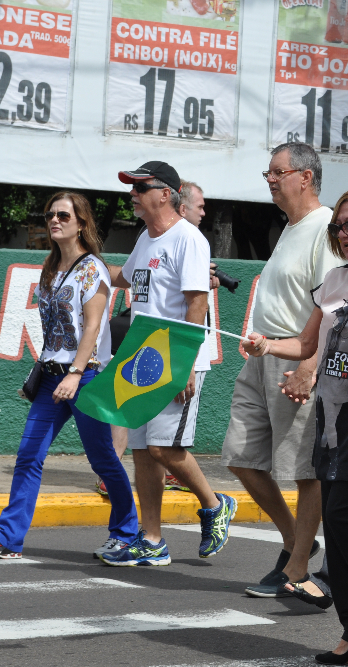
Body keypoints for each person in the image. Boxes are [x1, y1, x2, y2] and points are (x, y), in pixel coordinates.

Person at [245, 186, 348, 665]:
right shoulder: (336, 281)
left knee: (341, 516)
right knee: (338, 527)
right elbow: (305, 345)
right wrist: (266, 346)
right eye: (336, 227)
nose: (341, 234)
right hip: (333, 411)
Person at [219, 143, 341, 595]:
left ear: (305, 177)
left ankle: (296, 568)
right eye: (267, 172)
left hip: (299, 361)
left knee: (304, 469)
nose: (269, 179)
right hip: (263, 356)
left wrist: (310, 365)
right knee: (240, 457)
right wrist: (261, 343)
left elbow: (333, 306)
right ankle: (297, 546)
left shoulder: (325, 227)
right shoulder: (289, 229)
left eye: (278, 172)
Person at [101, 161, 236, 567]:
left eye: (140, 188)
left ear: (165, 193)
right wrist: (81, 263)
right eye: (132, 189)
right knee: (142, 451)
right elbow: (123, 279)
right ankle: (152, 539)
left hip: (174, 359)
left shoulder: (188, 239)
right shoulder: (146, 238)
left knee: (164, 446)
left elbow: (196, 303)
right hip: (143, 358)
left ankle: (215, 505)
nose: (133, 195)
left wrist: (185, 365)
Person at [0, 193, 139, 561]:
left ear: (81, 223)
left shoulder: (92, 268)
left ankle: (126, 532)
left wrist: (75, 373)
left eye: (63, 214)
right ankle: (8, 539)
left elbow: (93, 327)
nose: (54, 220)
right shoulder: (50, 269)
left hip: (86, 377)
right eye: (50, 214)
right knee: (29, 456)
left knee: (103, 459)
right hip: (51, 378)